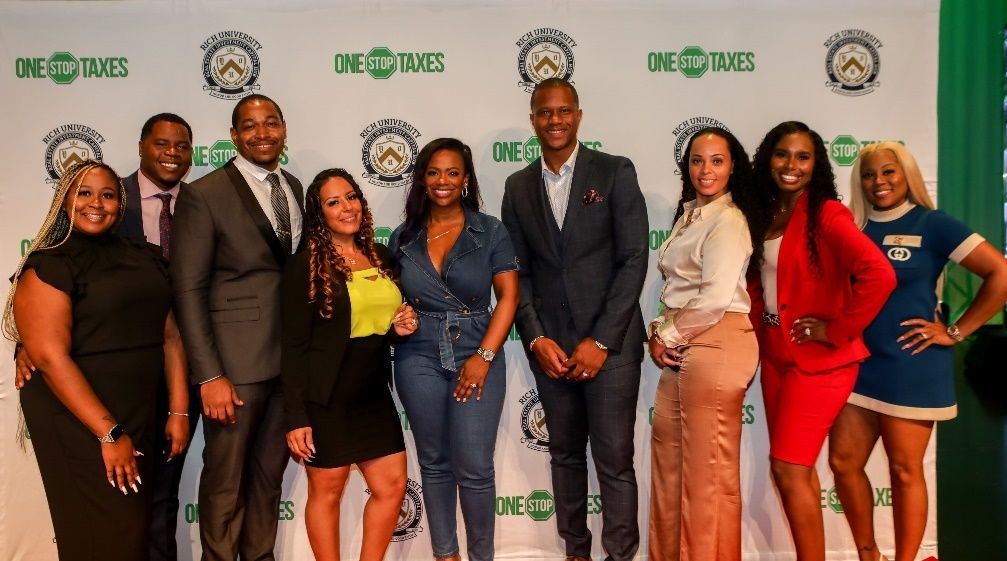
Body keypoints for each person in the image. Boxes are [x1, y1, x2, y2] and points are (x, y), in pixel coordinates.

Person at [828, 142, 1007, 561]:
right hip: (858, 366)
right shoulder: (852, 227)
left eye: (889, 172)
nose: (879, 182)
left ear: (907, 174)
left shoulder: (932, 223)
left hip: (913, 366)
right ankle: (869, 554)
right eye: (870, 174)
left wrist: (957, 331)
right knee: (843, 463)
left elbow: (999, 273)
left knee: (905, 471)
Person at [3, 159, 189, 561]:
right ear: (65, 200)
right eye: (84, 193)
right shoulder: (49, 266)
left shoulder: (144, 255)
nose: (96, 203)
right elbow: (50, 357)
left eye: (107, 194)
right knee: (102, 534)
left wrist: (178, 410)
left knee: (133, 533)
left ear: (120, 204)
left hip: (138, 410)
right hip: (78, 418)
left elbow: (171, 335)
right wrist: (109, 433)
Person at [501, 77, 649, 561]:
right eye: (545, 113)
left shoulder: (613, 172)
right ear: (533, 121)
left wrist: (601, 341)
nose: (555, 120)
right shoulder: (517, 186)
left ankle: (621, 554)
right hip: (553, 352)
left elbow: (633, 260)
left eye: (564, 111)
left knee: (614, 463)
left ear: (579, 115)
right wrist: (536, 337)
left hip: (612, 352)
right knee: (564, 457)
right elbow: (516, 272)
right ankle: (576, 552)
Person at [748, 121, 895, 561]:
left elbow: (879, 275)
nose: (791, 165)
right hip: (776, 355)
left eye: (803, 157)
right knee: (794, 472)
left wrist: (837, 328)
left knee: (789, 469)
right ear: (767, 159)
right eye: (782, 154)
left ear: (817, 165)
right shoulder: (766, 212)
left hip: (822, 361)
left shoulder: (827, 213)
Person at [171, 94, 303, 561]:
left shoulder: (293, 185)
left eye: (271, 123)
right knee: (226, 483)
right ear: (233, 136)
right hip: (234, 367)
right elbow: (187, 290)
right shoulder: (203, 195)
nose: (262, 133)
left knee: (268, 481)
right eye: (250, 126)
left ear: (284, 129)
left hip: (287, 364)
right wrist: (209, 375)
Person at [389, 138, 519, 561]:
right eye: (433, 172)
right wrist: (400, 318)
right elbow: (392, 303)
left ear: (466, 180)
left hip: (475, 348)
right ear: (422, 179)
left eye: (452, 172)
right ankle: (446, 555)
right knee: (434, 462)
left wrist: (483, 358)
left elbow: (510, 299)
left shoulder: (491, 229)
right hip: (417, 355)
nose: (442, 181)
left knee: (475, 467)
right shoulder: (402, 237)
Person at [281, 168, 418, 561]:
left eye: (351, 196)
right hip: (326, 397)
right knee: (327, 491)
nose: (346, 207)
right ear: (318, 213)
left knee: (391, 486)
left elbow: (377, 326)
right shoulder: (305, 266)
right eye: (333, 201)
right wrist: (296, 416)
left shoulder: (380, 254)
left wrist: (400, 327)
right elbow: (291, 347)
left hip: (373, 392)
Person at [647, 128, 767, 561]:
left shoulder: (729, 219)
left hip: (717, 342)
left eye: (717, 160)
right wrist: (659, 331)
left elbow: (715, 297)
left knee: (707, 477)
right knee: (670, 470)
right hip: (685, 342)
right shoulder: (690, 215)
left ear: (733, 165)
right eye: (698, 160)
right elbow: (678, 290)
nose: (706, 170)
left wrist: (668, 334)